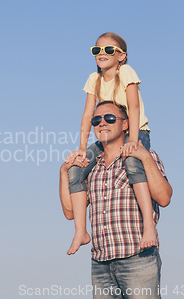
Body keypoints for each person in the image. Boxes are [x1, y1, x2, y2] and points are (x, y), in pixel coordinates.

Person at [60, 101, 172, 299]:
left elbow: (164, 198)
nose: (102, 123)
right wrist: (64, 171)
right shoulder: (90, 168)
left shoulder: (143, 157)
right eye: (96, 120)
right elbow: (70, 212)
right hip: (101, 263)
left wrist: (145, 158)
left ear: (125, 124)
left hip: (138, 259)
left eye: (110, 118)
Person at [64, 32, 156, 255]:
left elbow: (133, 107)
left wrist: (133, 141)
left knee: (133, 164)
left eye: (108, 50)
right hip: (108, 135)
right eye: (97, 50)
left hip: (135, 130)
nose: (101, 54)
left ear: (121, 56)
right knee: (76, 169)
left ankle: (149, 225)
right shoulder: (93, 80)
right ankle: (80, 231)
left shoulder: (125, 72)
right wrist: (83, 149)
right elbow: (88, 115)